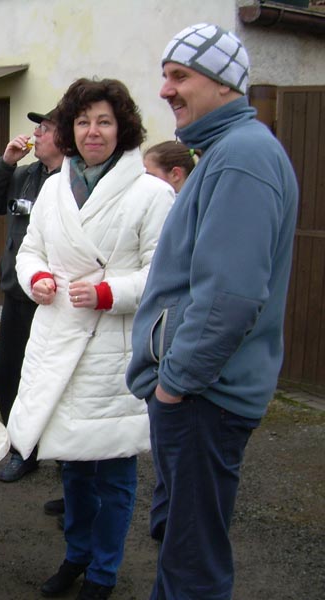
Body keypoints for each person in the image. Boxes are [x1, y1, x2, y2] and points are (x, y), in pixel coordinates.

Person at [127, 24, 298, 600]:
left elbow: (230, 296)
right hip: (199, 396)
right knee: (181, 546)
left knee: (193, 567)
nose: (165, 90)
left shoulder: (242, 156)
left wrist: (174, 385)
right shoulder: (228, 152)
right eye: (165, 76)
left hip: (203, 399)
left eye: (180, 76)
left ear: (225, 83)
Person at [8, 78, 174, 600]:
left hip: (112, 348)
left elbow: (165, 275)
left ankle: (103, 572)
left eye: (104, 121)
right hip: (59, 340)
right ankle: (76, 554)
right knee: (73, 467)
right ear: (70, 129)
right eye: (82, 121)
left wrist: (109, 292)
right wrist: (36, 278)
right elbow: (30, 250)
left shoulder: (152, 194)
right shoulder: (54, 186)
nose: (92, 131)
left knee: (115, 471)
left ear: (123, 127)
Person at [0, 107, 64, 484]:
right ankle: (21, 449)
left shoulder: (75, 180)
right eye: (37, 128)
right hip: (17, 292)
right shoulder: (25, 175)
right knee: (11, 373)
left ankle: (64, 456)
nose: (36, 134)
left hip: (57, 299)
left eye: (44, 128)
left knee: (54, 378)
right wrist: (5, 163)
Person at [140, 139, 197, 543]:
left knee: (179, 455)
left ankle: (173, 531)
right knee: (166, 454)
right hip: (162, 352)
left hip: (176, 357)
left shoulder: (186, 218)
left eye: (150, 174)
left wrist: (171, 381)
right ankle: (164, 523)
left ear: (175, 176)